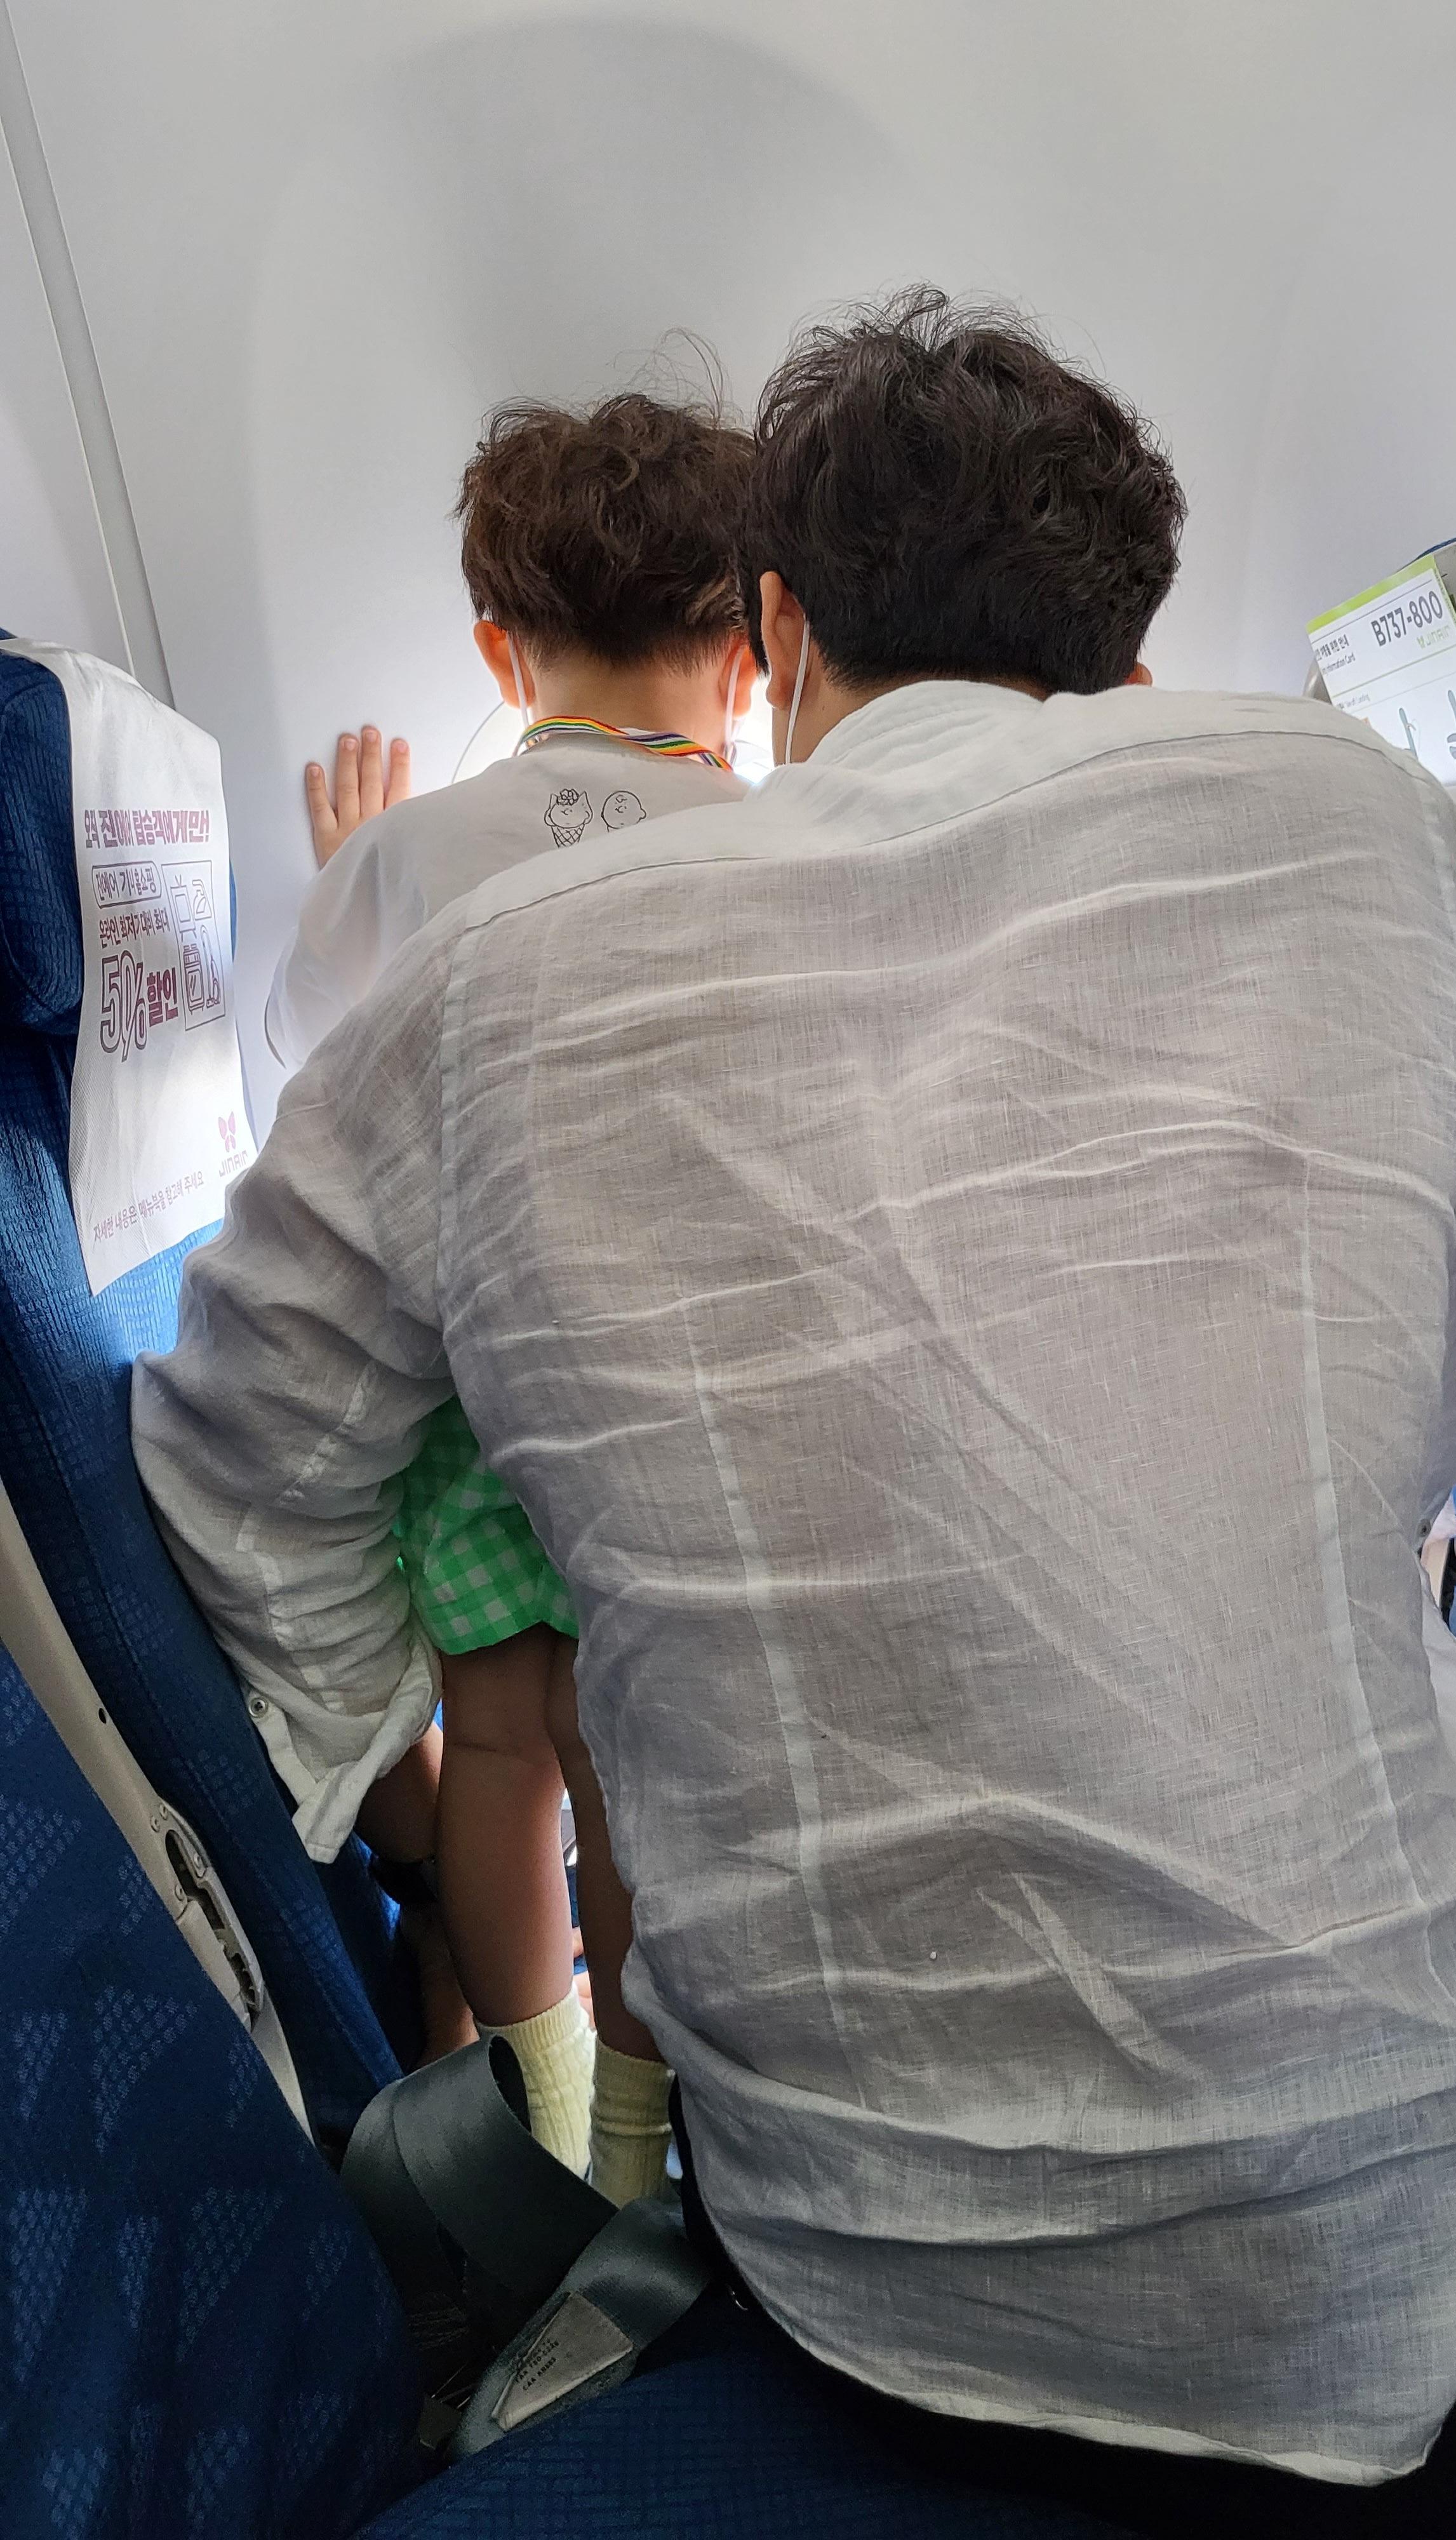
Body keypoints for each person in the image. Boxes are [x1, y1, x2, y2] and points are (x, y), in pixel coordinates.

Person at [131, 291, 1456, 2535]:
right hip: (1455, 2178)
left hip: (897, 2284)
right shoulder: (1368, 821)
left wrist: (399, 1776)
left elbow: (230, 1477)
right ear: (1131, 653)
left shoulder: (477, 982)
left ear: (780, 637)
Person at [262, 388, 758, 2200]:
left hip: (474, 1387)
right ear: (757, 649)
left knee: (497, 1742)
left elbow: (307, 1064)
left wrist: (353, 872)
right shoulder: (779, 849)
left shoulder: (412, 857)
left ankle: (530, 2110)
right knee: (627, 1769)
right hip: (666, 1400)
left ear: (498, 648)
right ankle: (633, 2148)